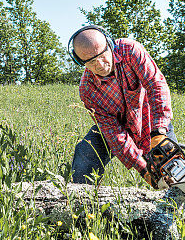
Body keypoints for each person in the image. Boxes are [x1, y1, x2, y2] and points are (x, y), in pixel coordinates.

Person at [68, 24, 178, 188]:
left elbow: (156, 86)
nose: (100, 64)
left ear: (109, 44)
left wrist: (159, 131)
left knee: (175, 169)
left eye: (102, 55)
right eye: (91, 61)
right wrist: (143, 169)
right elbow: (113, 132)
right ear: (81, 62)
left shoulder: (130, 50)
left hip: (150, 120)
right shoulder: (87, 90)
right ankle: (83, 205)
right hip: (116, 128)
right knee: (86, 152)